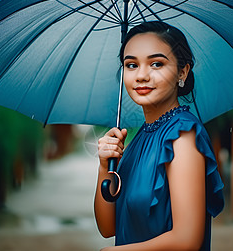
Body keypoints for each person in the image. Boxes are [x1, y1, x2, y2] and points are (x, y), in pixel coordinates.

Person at [94, 21, 224, 251]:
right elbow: (109, 227)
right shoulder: (140, 137)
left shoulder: (182, 137)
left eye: (156, 64)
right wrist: (105, 166)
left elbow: (187, 240)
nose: (142, 75)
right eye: (131, 64)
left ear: (182, 72)